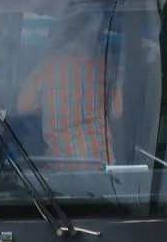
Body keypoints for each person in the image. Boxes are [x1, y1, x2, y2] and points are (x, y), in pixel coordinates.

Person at [16, 10, 124, 166]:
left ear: (57, 41)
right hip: (100, 163)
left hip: (63, 165)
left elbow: (22, 107)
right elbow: (116, 112)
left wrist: (46, 103)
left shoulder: (46, 68)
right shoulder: (103, 68)